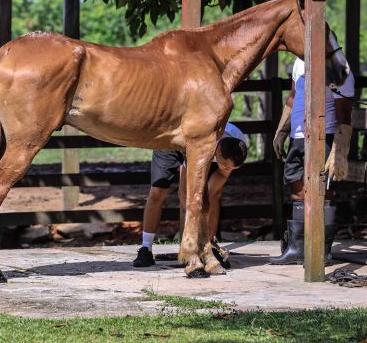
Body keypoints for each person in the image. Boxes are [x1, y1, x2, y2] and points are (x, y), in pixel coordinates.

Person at [270, 30, 354, 265]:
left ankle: (321, 250)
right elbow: (293, 97)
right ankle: (298, 248)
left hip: (323, 135)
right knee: (296, 188)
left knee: (322, 191)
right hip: (299, 136)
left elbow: (345, 114)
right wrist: (282, 130)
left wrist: (339, 149)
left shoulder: (339, 70)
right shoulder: (299, 62)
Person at [133, 122, 249, 268]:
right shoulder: (204, 142)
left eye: (231, 168)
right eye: (225, 165)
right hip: (172, 141)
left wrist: (204, 197)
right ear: (218, 152)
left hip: (197, 144)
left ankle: (208, 245)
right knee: (159, 192)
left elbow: (219, 180)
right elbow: (185, 194)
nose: (227, 169)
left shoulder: (238, 142)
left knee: (212, 196)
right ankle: (146, 248)